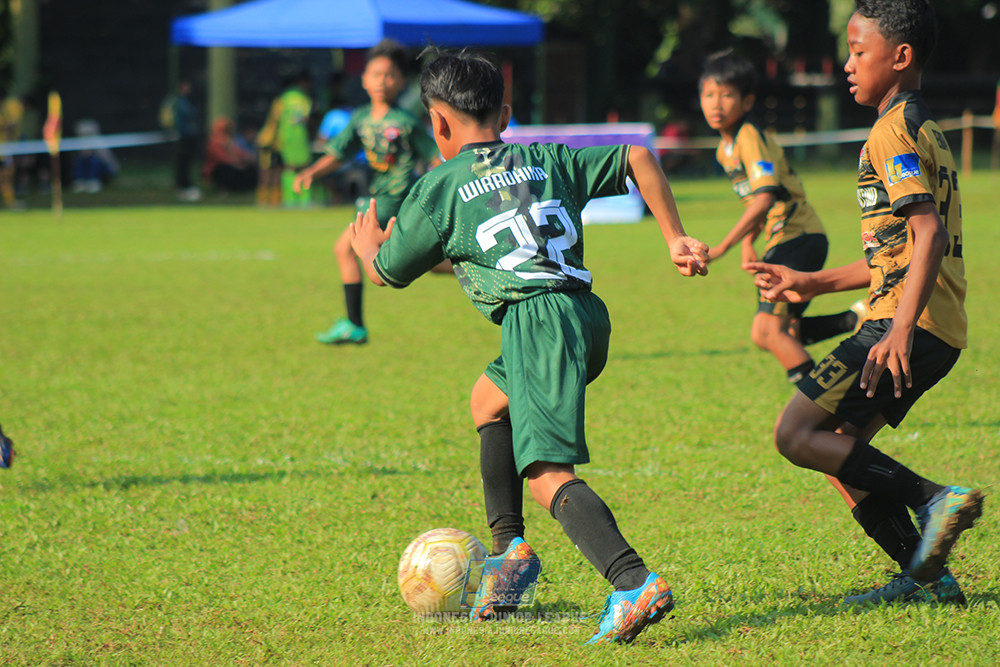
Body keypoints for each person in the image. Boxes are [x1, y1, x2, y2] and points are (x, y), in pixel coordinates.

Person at [350, 48, 709, 644]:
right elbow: (638, 156)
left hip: (537, 323)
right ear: (505, 114)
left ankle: (632, 581)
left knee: (544, 472)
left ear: (437, 122)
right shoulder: (545, 157)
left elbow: (389, 272)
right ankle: (510, 557)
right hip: (584, 315)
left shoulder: (439, 186)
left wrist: (368, 249)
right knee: (487, 402)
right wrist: (674, 237)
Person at [745, 0, 983, 606]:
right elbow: (896, 252)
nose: (846, 64)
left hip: (904, 325)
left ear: (900, 57)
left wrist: (898, 328)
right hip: (937, 326)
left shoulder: (889, 132)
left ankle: (935, 498)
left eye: (857, 51)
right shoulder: (927, 128)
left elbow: (928, 234)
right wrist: (813, 283)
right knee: (841, 447)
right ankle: (927, 578)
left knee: (795, 434)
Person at [700, 50, 863, 385]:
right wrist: (749, 242)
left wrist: (724, 247)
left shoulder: (749, 137)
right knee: (767, 333)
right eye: (709, 95)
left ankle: (826, 406)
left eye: (726, 95)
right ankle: (856, 320)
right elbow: (755, 202)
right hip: (784, 239)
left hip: (797, 237)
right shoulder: (724, 149)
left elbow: (765, 197)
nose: (716, 104)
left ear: (747, 102)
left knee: (770, 331)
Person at [294, 40, 441, 345]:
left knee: (345, 250)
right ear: (363, 79)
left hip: (392, 201)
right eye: (375, 74)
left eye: (389, 75)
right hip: (377, 200)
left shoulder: (406, 122)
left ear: (401, 82)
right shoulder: (360, 118)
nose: (382, 81)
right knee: (430, 263)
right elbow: (338, 153)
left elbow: (433, 157)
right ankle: (472, 263)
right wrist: (311, 172)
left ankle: (354, 324)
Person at [260, 70, 313, 208]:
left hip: (284, 137)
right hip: (300, 137)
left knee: (287, 167)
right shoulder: (304, 98)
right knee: (304, 167)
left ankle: (288, 197)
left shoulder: (282, 99)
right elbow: (306, 117)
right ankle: (304, 198)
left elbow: (274, 119)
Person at [162, 80, 202, 202]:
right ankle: (182, 187)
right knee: (182, 163)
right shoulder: (177, 101)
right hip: (182, 137)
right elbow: (188, 116)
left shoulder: (182, 101)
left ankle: (184, 186)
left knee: (186, 163)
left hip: (186, 136)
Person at [202, 117, 257, 193]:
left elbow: (238, 152)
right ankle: (225, 188)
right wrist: (235, 163)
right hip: (218, 167)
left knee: (249, 167)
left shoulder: (229, 139)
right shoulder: (214, 140)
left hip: (233, 163)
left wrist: (247, 157)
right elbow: (220, 157)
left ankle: (245, 187)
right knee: (227, 169)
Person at [71, 119, 119, 193]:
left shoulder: (100, 143)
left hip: (104, 171)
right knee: (80, 161)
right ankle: (80, 182)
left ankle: (94, 182)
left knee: (94, 161)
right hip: (86, 171)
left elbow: (108, 161)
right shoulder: (77, 143)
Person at [0, 85, 26, 211]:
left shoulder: (11, 105)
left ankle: (10, 202)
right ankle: (10, 202)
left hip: (6, 149)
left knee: (7, 176)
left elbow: (12, 126)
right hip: (6, 149)